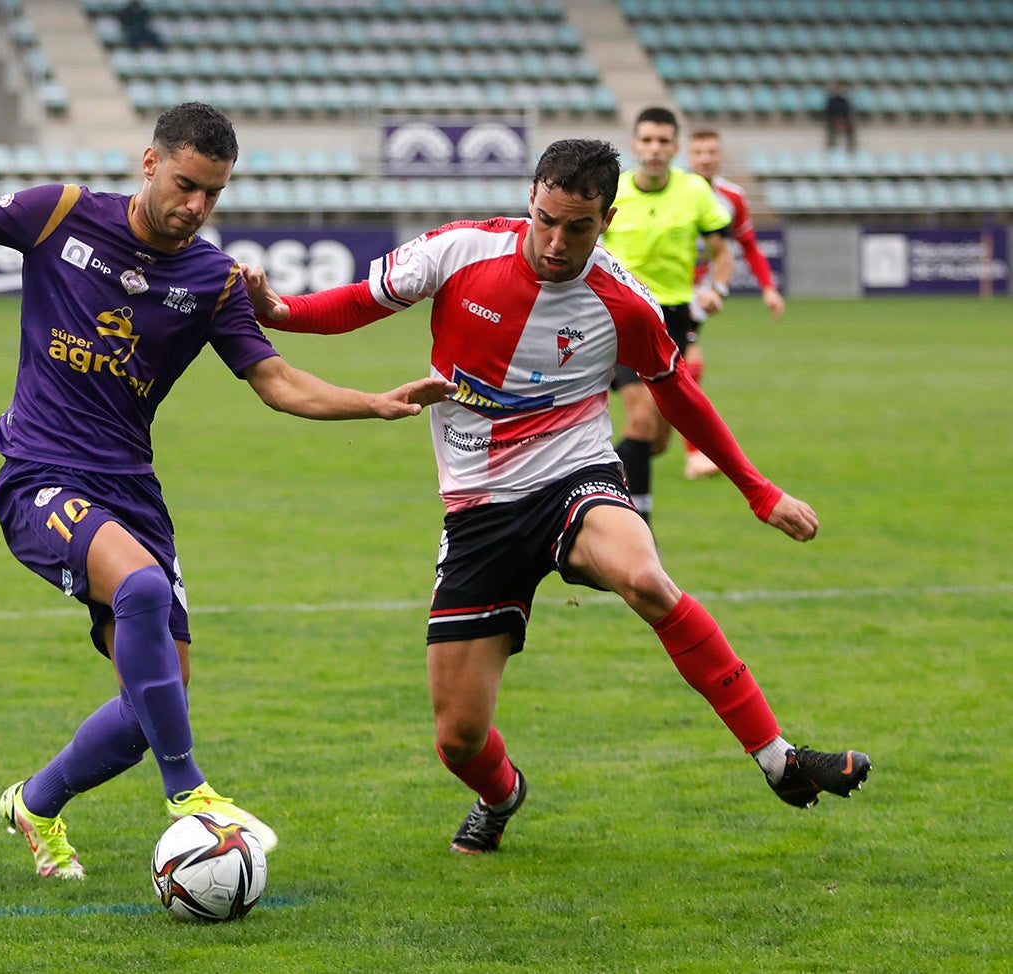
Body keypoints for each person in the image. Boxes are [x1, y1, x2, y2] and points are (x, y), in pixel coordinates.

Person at [0, 102, 453, 879]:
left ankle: (35, 804)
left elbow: (277, 381)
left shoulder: (214, 279)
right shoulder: (59, 212)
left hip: (132, 493)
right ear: (150, 163)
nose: (195, 206)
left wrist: (376, 402)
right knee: (143, 589)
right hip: (39, 476)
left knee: (158, 704)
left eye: (213, 194)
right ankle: (190, 794)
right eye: (186, 184)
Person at [240, 137, 870, 855]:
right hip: (478, 509)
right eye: (545, 219)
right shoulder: (458, 251)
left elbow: (682, 397)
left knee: (644, 577)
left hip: (574, 476)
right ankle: (501, 793)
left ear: (605, 221)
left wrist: (759, 493)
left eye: (577, 227)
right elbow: (356, 302)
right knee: (458, 737)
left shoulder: (622, 302)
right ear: (530, 201)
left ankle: (777, 758)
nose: (556, 241)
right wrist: (278, 309)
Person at [599, 106, 733, 525]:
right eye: (647, 141)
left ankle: (580, 482)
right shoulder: (613, 191)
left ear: (676, 147)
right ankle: (641, 531)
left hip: (673, 321)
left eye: (663, 142)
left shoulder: (695, 192)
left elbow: (722, 252)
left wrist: (717, 288)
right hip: (621, 317)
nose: (655, 149)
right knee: (639, 421)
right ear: (635, 145)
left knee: (655, 441)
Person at [681, 127, 786, 480]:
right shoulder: (672, 191)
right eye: (699, 152)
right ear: (689, 156)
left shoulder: (732, 197)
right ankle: (684, 453)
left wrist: (768, 288)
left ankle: (685, 452)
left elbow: (749, 245)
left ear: (720, 155)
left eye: (712, 152)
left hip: (699, 295)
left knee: (682, 368)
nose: (706, 158)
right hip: (666, 290)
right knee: (682, 369)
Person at [823, 82, 856, 152]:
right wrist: (835, 119)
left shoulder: (843, 100)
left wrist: (842, 119)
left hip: (844, 119)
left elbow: (846, 111)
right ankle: (831, 148)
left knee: (850, 129)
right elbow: (828, 112)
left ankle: (852, 148)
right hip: (833, 120)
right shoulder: (831, 100)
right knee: (831, 131)